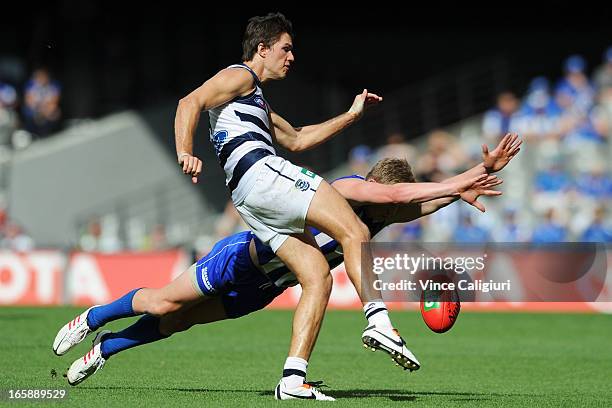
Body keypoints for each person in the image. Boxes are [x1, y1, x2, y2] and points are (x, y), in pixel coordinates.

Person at [53, 134, 521, 400]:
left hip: (265, 288)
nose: (386, 211)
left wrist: (457, 192)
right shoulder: (351, 188)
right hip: (242, 258)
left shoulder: (378, 217)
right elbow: (398, 197)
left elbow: (416, 205)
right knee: (162, 301)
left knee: (179, 323)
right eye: (385, 199)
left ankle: (106, 349)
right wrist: (465, 176)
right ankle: (90, 319)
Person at [172, 12, 422, 398]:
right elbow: (189, 102)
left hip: (250, 195)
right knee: (354, 230)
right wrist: (185, 151)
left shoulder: (254, 100)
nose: (291, 57)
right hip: (262, 176)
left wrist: (352, 115)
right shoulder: (241, 76)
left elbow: (300, 138)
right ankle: (378, 319)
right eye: (285, 49)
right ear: (263, 48)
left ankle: (292, 379)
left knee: (317, 275)